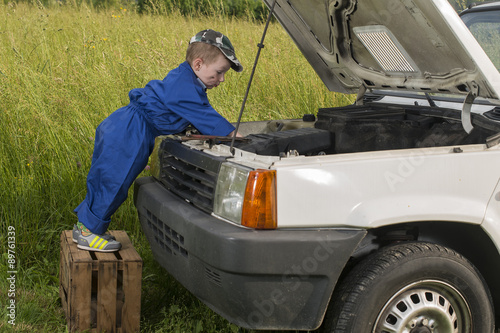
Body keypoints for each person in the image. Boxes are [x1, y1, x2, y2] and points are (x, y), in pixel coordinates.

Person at [73, 29, 243, 252]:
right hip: (129, 129)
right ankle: (87, 231)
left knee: (113, 178)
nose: (221, 79)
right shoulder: (185, 87)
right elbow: (208, 118)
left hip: (131, 128)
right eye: (219, 72)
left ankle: (89, 227)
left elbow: (190, 113)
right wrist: (238, 138)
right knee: (113, 180)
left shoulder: (188, 80)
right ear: (198, 65)